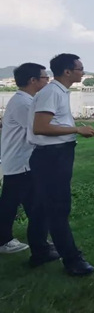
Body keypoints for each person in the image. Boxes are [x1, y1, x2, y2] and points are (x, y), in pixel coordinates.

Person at [28, 53, 94, 276]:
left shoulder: (58, 91)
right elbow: (40, 127)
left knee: (42, 206)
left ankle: (40, 251)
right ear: (67, 71)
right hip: (52, 157)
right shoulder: (52, 92)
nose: (83, 72)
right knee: (58, 208)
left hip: (55, 155)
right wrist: (77, 129)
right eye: (80, 69)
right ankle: (72, 260)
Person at [0, 63, 53, 260]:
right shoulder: (23, 103)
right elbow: (39, 130)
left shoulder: (26, 101)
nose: (47, 81)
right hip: (20, 162)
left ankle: (39, 241)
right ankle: (5, 241)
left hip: (22, 162)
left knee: (29, 203)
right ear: (33, 80)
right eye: (45, 78)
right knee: (13, 203)